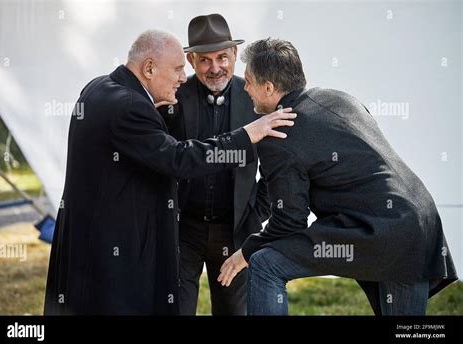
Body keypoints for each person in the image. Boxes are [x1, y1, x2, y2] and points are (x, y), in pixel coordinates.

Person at [43, 30, 296, 315]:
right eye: (178, 69)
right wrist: (245, 135)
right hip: (114, 247)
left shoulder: (100, 87)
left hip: (92, 243)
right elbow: (177, 157)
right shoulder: (131, 107)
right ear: (149, 68)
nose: (181, 78)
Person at [218, 38, 458, 315]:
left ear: (268, 87)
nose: (244, 88)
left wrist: (247, 250)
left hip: (378, 230)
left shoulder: (278, 135)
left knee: (265, 263)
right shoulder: (338, 97)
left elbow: (289, 221)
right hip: (421, 223)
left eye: (248, 81)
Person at [159, 14, 270, 316]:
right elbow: (159, 158)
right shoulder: (172, 98)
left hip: (235, 231)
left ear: (235, 55)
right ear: (191, 60)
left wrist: (254, 214)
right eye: (205, 60)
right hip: (183, 228)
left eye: (222, 57)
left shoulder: (256, 99)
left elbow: (277, 168)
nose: (215, 67)